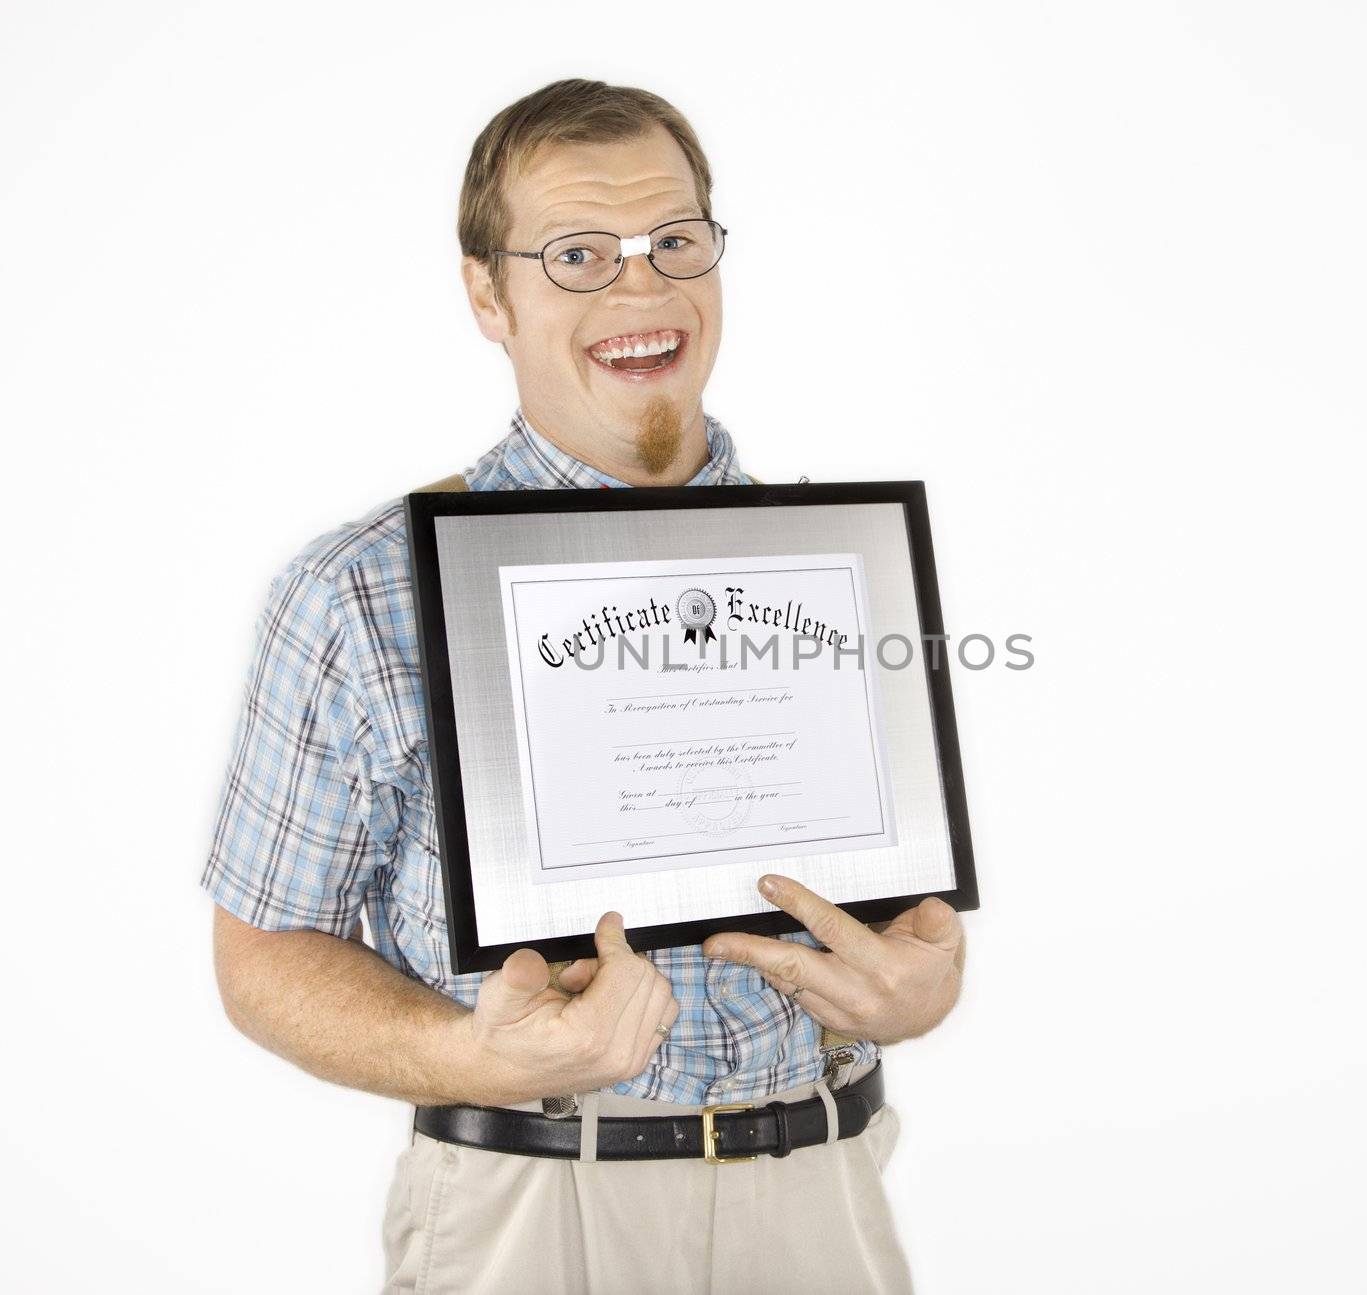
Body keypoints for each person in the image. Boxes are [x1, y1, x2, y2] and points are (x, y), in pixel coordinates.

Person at [202, 78, 966, 1294]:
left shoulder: (838, 573)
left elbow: (897, 909)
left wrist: (923, 980)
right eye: (576, 254)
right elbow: (264, 953)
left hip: (822, 1195)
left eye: (674, 241)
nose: (640, 288)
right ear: (486, 292)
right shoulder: (358, 593)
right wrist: (465, 1050)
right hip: (535, 1209)